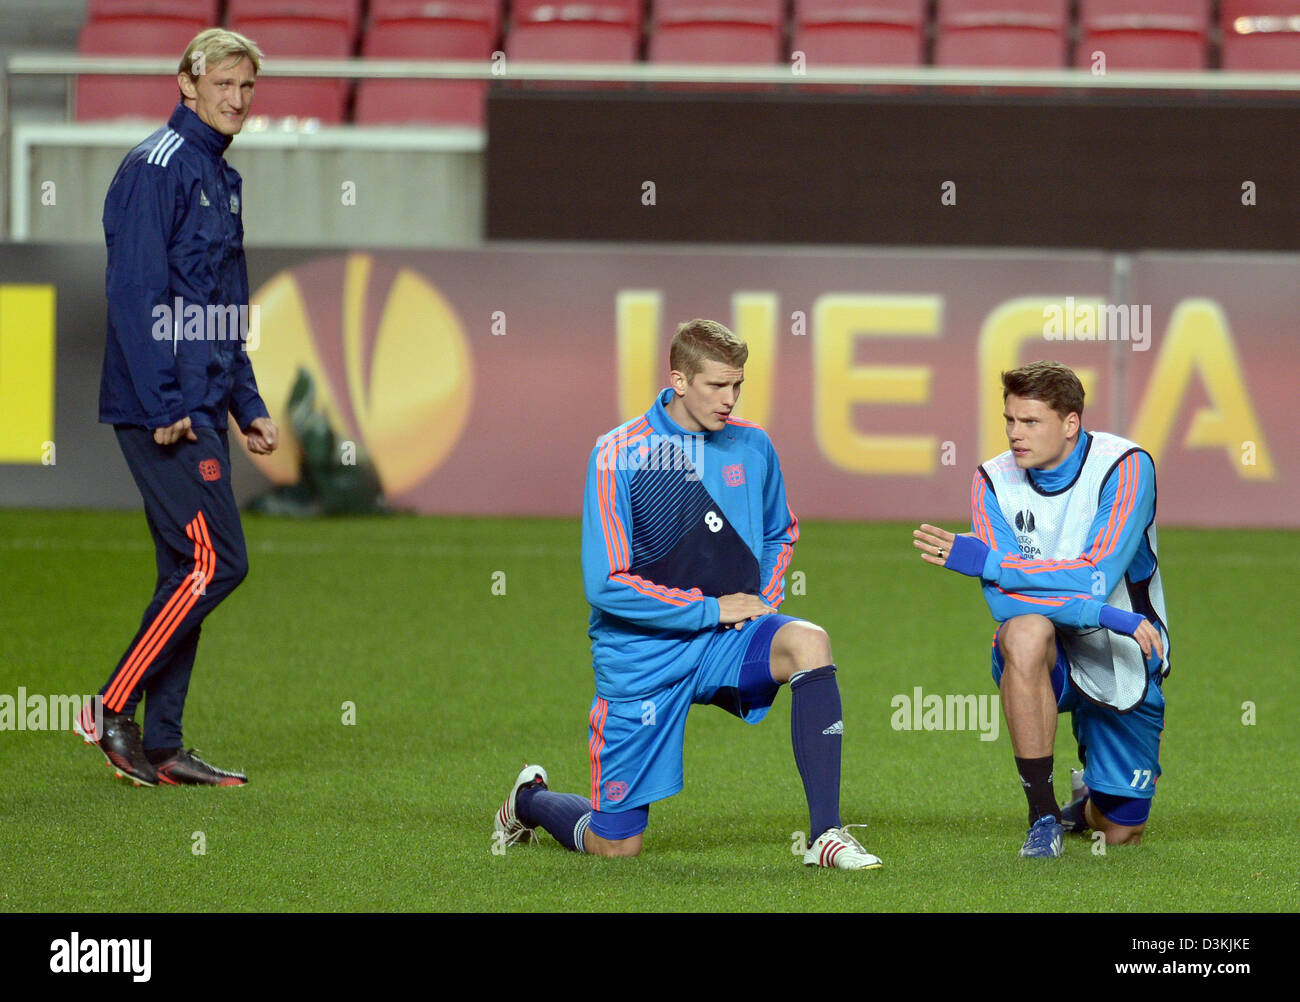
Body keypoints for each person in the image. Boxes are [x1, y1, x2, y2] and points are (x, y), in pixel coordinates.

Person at [494, 320, 882, 869]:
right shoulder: (619, 454)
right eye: (716, 386)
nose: (730, 400)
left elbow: (779, 532)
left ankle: (826, 836)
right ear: (678, 379)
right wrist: (709, 608)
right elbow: (606, 584)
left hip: (724, 639)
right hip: (642, 657)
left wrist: (761, 599)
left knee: (809, 643)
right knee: (616, 847)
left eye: (737, 386)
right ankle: (529, 801)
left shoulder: (753, 445)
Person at [74, 28, 277, 787]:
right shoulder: (153, 169)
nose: (237, 100)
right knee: (217, 561)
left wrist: (246, 402)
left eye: (247, 88)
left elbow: (225, 308)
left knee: (186, 571)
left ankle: (161, 744)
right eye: (223, 83)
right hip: (163, 410)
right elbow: (133, 295)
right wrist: (164, 400)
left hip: (201, 405)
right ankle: (109, 708)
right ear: (186, 82)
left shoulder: (221, 179)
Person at [913, 360, 1170, 858]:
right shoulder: (992, 480)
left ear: (1070, 424)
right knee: (1024, 630)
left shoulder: (1126, 467)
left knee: (1119, 833)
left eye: (1030, 422)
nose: (1015, 434)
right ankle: (1043, 815)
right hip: (1065, 643)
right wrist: (1102, 612)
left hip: (1122, 652)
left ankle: (1087, 797)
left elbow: (1098, 576)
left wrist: (991, 563)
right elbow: (1000, 599)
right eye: (1010, 420)